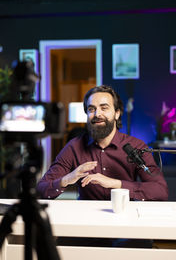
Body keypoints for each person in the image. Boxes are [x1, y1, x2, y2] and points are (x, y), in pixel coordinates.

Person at [37, 85, 168, 201]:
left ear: (117, 113)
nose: (97, 114)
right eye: (91, 109)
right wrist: (67, 179)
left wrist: (116, 184)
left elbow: (160, 190)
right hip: (87, 219)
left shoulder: (136, 146)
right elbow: (41, 190)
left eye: (104, 108)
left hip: (124, 215)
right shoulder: (74, 147)